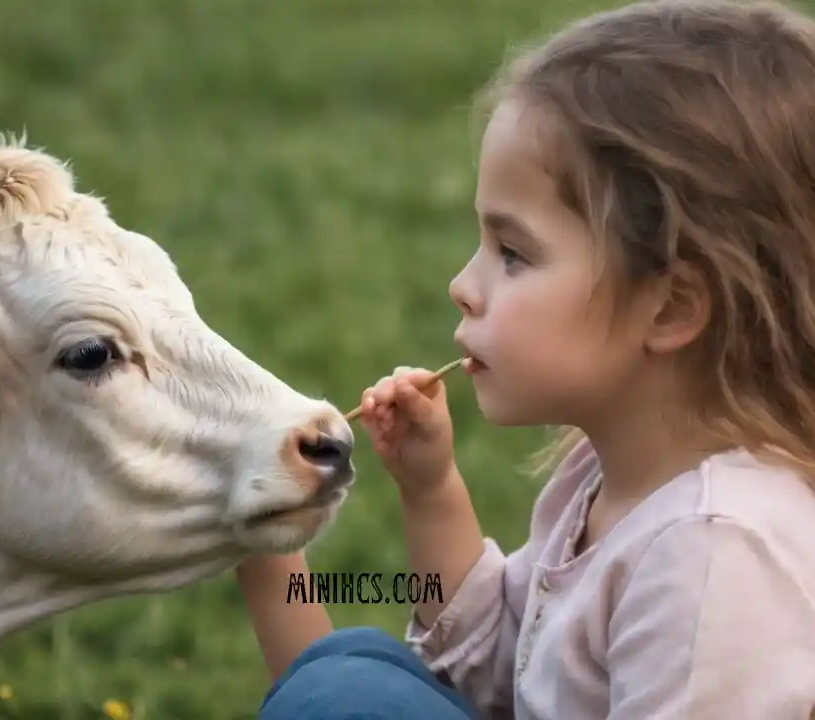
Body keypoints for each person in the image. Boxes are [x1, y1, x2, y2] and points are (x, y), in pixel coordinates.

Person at [237, 0, 815, 717]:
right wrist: (430, 488)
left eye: (512, 253)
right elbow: (494, 675)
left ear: (669, 308)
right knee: (351, 669)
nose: (462, 286)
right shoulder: (606, 478)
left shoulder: (716, 559)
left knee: (350, 697)